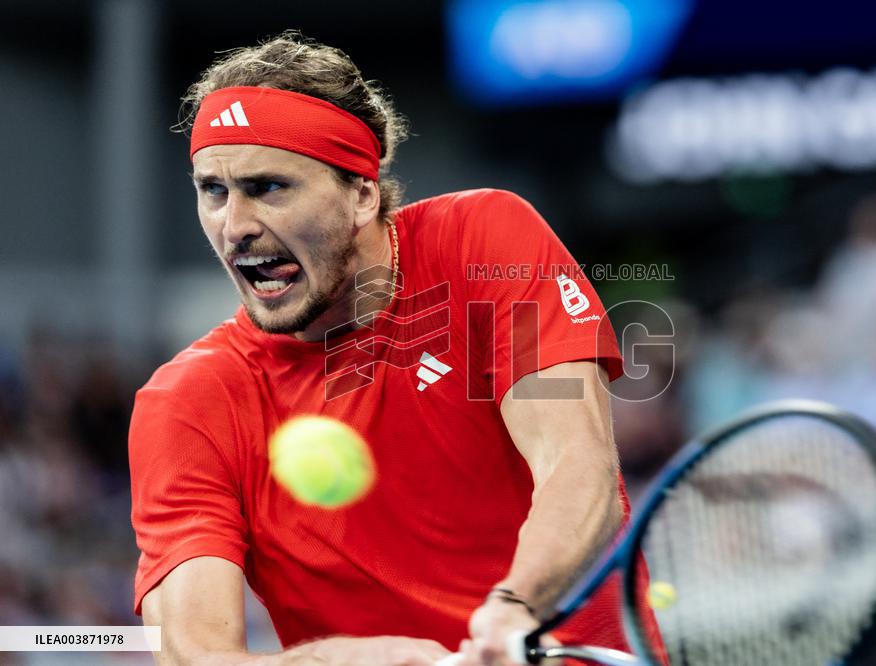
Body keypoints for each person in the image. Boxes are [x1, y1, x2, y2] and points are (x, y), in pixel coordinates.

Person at [130, 32, 653, 665]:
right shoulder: (186, 402)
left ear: (361, 195)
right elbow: (198, 656)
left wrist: (515, 607)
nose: (234, 225)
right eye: (213, 189)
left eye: (269, 187)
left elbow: (577, 461)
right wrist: (328, 663)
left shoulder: (484, 241)